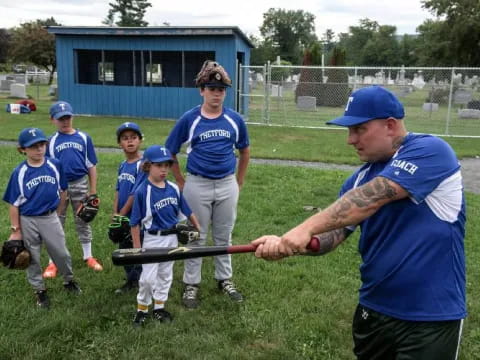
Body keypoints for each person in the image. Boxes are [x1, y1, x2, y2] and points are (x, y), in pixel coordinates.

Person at [252, 86, 466, 360]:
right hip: (373, 309)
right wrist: (289, 244)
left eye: (359, 129)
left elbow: (373, 196)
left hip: (430, 315)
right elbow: (334, 234)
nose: (350, 140)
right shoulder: (356, 180)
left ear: (390, 125)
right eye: (349, 131)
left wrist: (304, 228)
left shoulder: (431, 151)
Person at [165, 60, 250, 309]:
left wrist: (239, 181)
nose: (216, 94)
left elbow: (244, 151)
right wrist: (180, 180)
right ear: (202, 90)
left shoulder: (234, 119)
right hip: (197, 184)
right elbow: (170, 150)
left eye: (221, 90)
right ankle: (191, 283)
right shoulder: (190, 119)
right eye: (211, 88)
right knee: (197, 235)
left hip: (226, 183)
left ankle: (224, 279)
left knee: (224, 234)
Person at [3, 128, 82, 309]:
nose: (39, 149)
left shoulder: (55, 165)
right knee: (32, 257)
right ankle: (39, 290)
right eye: (33, 146)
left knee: (61, 252)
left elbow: (63, 190)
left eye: (41, 144)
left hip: (50, 216)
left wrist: (58, 211)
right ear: (22, 149)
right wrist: (16, 230)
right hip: (28, 219)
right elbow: (14, 203)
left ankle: (69, 280)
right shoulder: (20, 172)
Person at [130, 145, 200, 327]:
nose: (163, 169)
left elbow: (186, 209)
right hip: (153, 239)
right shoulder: (142, 191)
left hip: (172, 238)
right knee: (147, 279)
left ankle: (159, 307)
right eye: (158, 165)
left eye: (167, 165)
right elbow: (134, 223)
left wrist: (197, 226)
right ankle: (142, 309)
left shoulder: (174, 188)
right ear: (147, 166)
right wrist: (138, 248)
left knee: (165, 275)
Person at [42, 101, 103, 278]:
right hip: (59, 187)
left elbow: (91, 165)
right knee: (55, 222)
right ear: (52, 120)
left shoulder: (84, 138)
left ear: (72, 116)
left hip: (80, 183)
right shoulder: (51, 141)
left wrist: (92, 189)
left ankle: (88, 256)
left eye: (67, 117)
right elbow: (48, 168)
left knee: (83, 219)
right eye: (60, 118)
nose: (65, 121)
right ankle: (53, 262)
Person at [112, 122, 145, 294]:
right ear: (120, 143)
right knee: (124, 248)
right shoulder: (123, 165)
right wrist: (115, 213)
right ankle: (131, 280)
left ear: (140, 140)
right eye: (125, 139)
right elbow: (118, 190)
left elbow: (135, 193)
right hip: (123, 216)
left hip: (137, 216)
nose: (130, 141)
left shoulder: (143, 165)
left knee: (137, 248)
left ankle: (139, 281)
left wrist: (122, 214)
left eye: (133, 138)